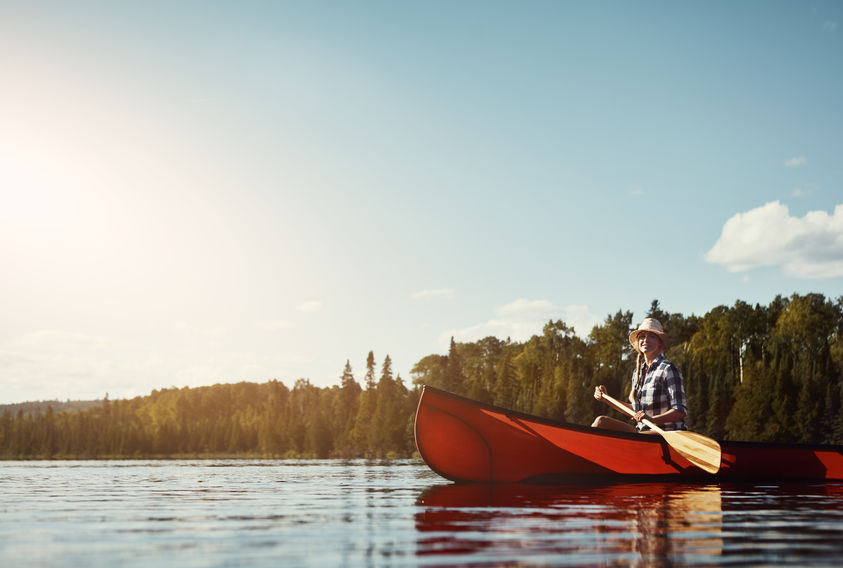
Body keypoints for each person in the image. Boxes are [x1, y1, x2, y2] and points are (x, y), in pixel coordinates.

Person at [592, 318, 687, 433]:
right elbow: (635, 410)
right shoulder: (637, 373)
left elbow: (679, 410)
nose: (646, 340)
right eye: (642, 336)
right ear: (638, 342)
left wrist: (652, 420)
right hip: (642, 432)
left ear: (660, 342)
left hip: (665, 434)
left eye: (651, 336)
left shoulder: (668, 369)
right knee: (601, 422)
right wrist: (606, 399)